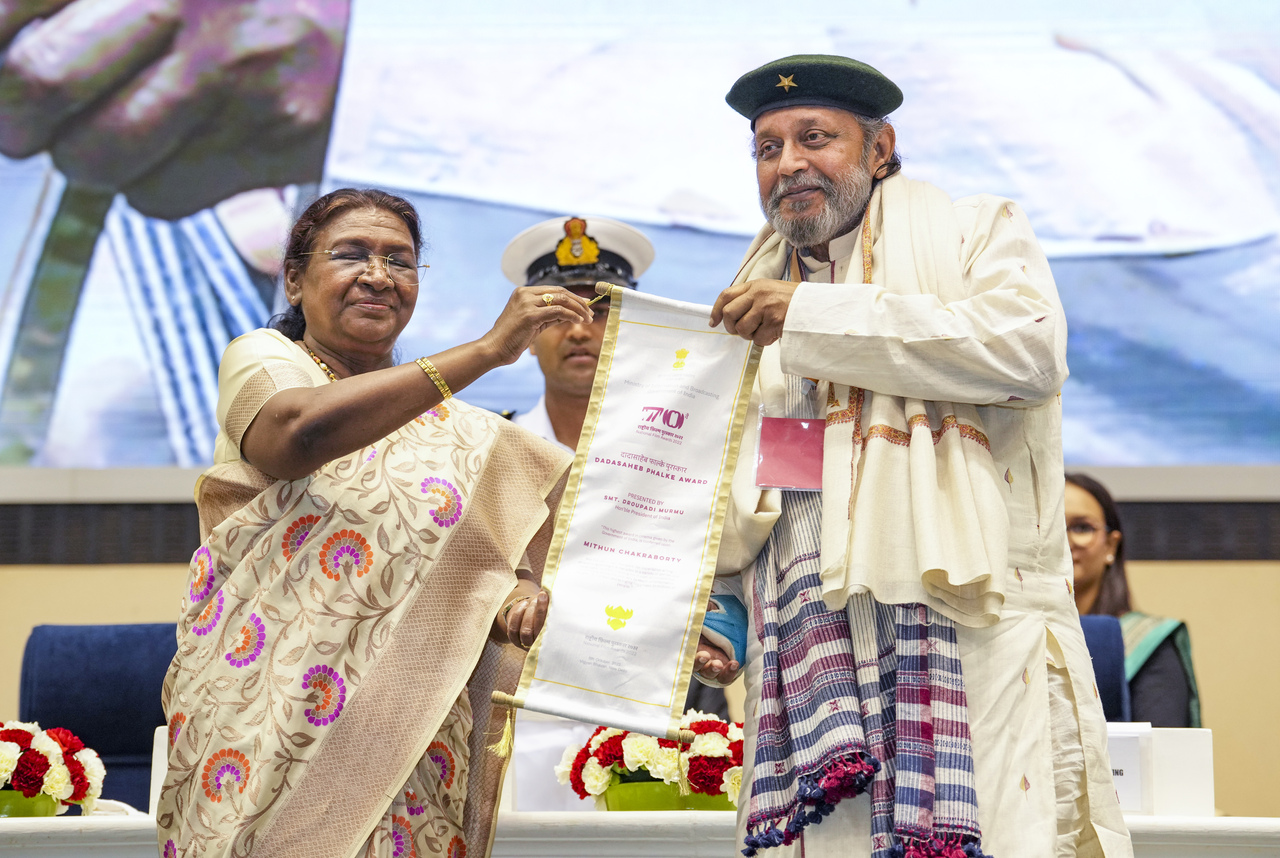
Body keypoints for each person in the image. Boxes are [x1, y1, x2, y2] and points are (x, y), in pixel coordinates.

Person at [693, 55, 1132, 857]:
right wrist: (719, 606)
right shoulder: (758, 296)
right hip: (814, 659)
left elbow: (1027, 355)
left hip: (971, 638)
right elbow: (782, 475)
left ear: (880, 148)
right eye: (766, 148)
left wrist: (814, 313)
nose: (786, 164)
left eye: (814, 138)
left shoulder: (972, 231)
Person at [156, 188, 596, 858]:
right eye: (352, 253)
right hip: (261, 719)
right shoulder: (267, 361)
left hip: (407, 730)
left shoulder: (469, 435)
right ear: (297, 280)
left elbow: (486, 574)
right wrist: (484, 352)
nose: (378, 274)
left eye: (400, 260)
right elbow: (294, 434)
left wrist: (515, 606)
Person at [498, 215, 731, 812]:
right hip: (511, 725)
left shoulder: (686, 456)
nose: (580, 330)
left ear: (636, 330)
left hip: (653, 726)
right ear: (525, 336)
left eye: (600, 311)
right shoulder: (489, 452)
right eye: (556, 314)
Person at [1065, 472, 1201, 728]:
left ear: (1111, 547)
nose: (1064, 541)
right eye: (1049, 527)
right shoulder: (1010, 635)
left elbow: (1161, 757)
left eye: (1082, 527)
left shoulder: (1148, 642)